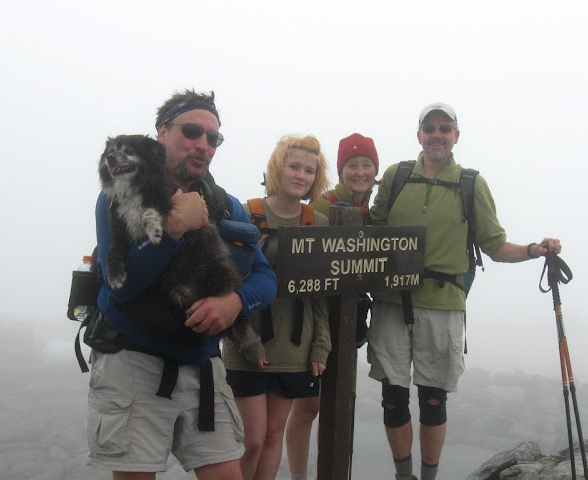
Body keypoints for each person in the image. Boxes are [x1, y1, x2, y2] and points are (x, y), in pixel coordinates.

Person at [87, 89, 277, 480]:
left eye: (213, 138)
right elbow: (122, 288)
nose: (203, 144)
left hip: (202, 364)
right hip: (132, 359)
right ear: (161, 133)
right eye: (192, 131)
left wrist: (234, 303)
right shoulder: (117, 196)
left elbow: (265, 277)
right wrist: (174, 228)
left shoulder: (224, 204)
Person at [367, 102, 562, 480]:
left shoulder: (471, 183)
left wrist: (534, 250)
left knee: (433, 400)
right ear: (419, 135)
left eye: (445, 128)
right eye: (430, 128)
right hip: (391, 300)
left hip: (443, 303)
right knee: (393, 399)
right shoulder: (397, 175)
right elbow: (371, 229)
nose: (437, 135)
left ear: (456, 136)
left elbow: (495, 245)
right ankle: (404, 476)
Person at [222, 134, 332, 480]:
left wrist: (321, 345)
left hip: (294, 347)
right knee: (251, 441)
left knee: (272, 437)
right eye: (294, 166)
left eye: (309, 170)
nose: (301, 175)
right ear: (277, 168)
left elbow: (319, 293)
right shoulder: (247, 214)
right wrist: (246, 342)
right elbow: (227, 284)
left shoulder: (318, 223)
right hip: (247, 344)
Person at [286, 132, 379, 480]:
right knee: (308, 407)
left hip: (348, 322)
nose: (360, 172)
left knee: (337, 404)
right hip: (316, 320)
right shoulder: (324, 206)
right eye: (352, 165)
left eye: (366, 164)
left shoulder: (372, 211)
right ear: (340, 171)